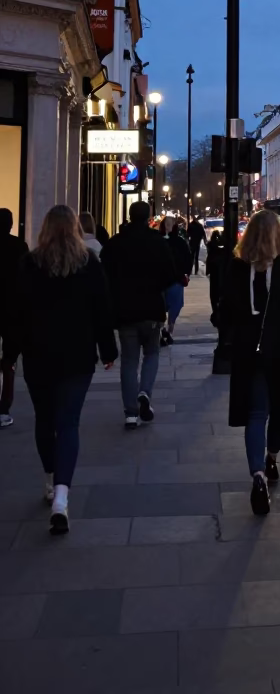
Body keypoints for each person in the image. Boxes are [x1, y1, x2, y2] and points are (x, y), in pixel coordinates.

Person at [3, 205, 117, 533]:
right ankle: (62, 498)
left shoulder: (29, 263)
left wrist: (11, 352)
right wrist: (107, 350)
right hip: (77, 356)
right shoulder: (88, 263)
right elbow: (102, 310)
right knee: (68, 423)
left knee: (45, 419)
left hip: (38, 354)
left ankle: (51, 479)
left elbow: (15, 312)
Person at [217, 209, 280, 516]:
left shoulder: (237, 265)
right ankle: (272, 456)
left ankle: (257, 473)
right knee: (279, 406)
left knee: (256, 412)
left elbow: (224, 310)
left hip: (249, 350)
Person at [101, 201, 176, 429]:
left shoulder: (115, 244)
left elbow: (105, 275)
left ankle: (131, 412)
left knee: (129, 360)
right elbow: (170, 274)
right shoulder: (157, 242)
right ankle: (144, 392)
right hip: (152, 307)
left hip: (125, 310)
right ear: (148, 217)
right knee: (152, 353)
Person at [0, 208, 28, 429]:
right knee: (9, 360)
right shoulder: (19, 247)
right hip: (12, 310)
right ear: (10, 224)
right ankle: (3, 407)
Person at [161, 217, 192, 344]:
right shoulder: (161, 240)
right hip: (165, 280)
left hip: (173, 279)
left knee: (174, 306)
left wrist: (187, 273)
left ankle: (168, 330)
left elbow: (187, 258)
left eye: (170, 224)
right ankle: (164, 330)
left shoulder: (179, 241)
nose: (168, 226)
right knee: (165, 306)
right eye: (166, 224)